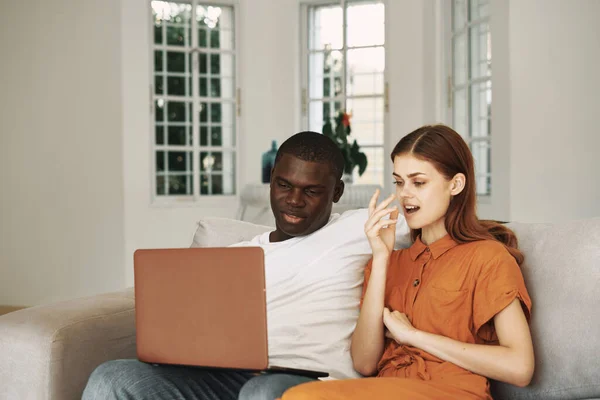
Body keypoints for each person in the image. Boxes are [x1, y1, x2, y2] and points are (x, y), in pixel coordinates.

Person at [82, 131, 411, 400]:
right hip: (226, 379)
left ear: (336, 192)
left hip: (314, 382)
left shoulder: (361, 227)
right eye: (284, 185)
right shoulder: (234, 257)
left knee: (262, 390)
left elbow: (441, 214)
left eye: (311, 191)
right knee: (112, 376)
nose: (294, 200)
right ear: (272, 180)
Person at [281, 125, 534, 400]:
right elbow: (364, 363)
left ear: (456, 185)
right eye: (399, 182)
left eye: (419, 182)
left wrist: (413, 336)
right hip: (386, 389)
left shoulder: (487, 257)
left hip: (451, 392)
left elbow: (519, 367)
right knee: (296, 394)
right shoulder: (389, 262)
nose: (405, 194)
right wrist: (380, 258)